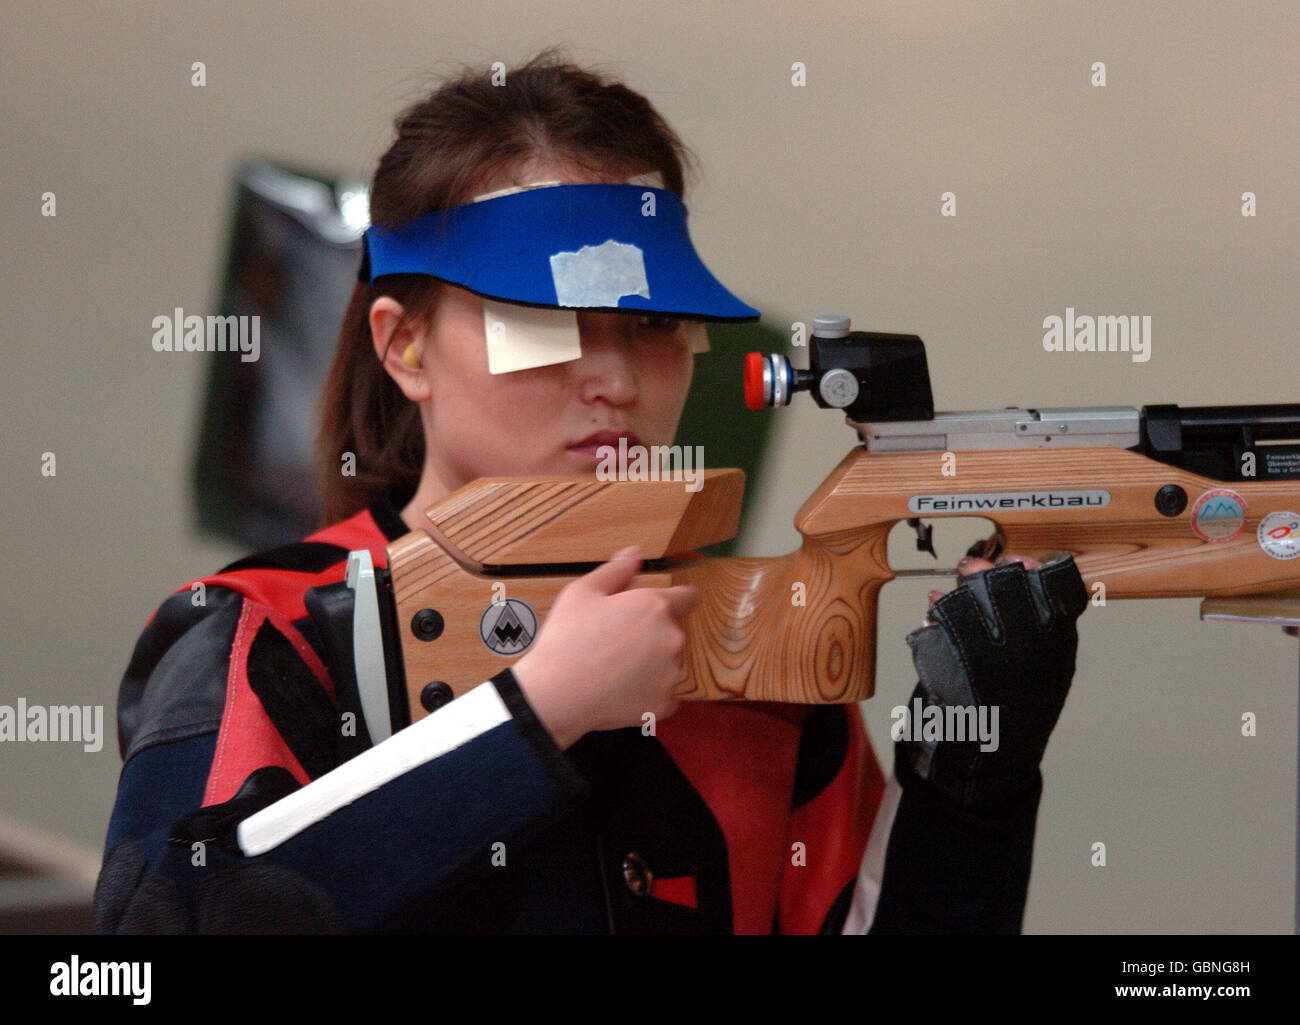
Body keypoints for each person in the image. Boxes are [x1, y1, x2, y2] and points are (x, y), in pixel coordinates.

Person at [94, 51, 1088, 935]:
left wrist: (968, 776)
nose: (613, 376)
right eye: (545, 319)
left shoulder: (753, 647)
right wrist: (538, 711)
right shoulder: (272, 633)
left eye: (655, 325)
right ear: (403, 344)